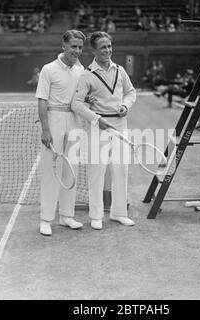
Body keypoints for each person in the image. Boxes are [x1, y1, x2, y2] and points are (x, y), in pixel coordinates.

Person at [72, 31, 137, 230]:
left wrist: (125, 106)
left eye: (109, 46)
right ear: (94, 50)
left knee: (121, 170)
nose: (107, 50)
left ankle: (119, 213)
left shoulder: (120, 70)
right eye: (103, 47)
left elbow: (131, 92)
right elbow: (76, 104)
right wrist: (96, 119)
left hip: (120, 126)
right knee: (96, 172)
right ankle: (96, 216)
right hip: (97, 127)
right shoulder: (86, 75)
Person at [35, 30, 86, 236]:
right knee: (51, 170)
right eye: (73, 46)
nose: (77, 51)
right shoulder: (48, 69)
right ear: (63, 46)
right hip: (53, 120)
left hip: (74, 121)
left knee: (71, 170)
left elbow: (82, 98)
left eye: (80, 47)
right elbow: (41, 100)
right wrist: (46, 129)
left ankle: (67, 216)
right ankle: (45, 219)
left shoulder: (81, 70)